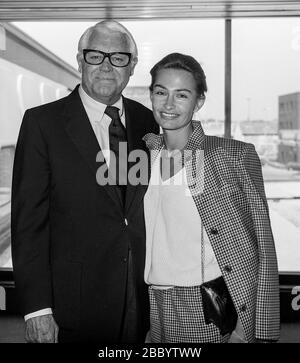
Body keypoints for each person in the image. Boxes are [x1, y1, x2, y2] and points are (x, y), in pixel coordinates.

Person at [11, 20, 158, 343]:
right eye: (96, 56)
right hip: (72, 304)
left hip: (139, 299)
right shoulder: (42, 124)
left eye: (118, 57)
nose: (106, 66)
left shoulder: (146, 120)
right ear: (80, 60)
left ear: (132, 66)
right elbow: (28, 224)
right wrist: (37, 309)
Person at [142, 53, 280, 343]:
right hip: (153, 304)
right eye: (160, 92)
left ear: (199, 102)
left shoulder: (232, 156)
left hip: (204, 305)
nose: (169, 104)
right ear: (151, 96)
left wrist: (246, 330)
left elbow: (262, 247)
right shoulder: (145, 155)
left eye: (182, 95)